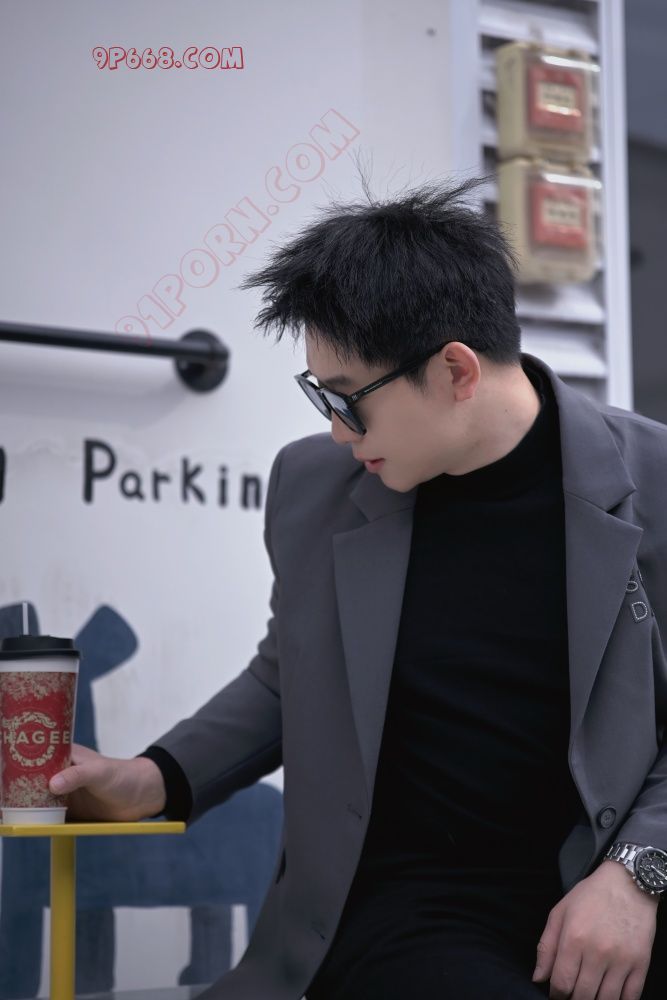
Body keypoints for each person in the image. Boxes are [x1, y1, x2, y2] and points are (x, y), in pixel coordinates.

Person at [50, 179, 667, 1000]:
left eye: (347, 400)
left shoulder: (652, 482)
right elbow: (289, 675)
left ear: (454, 371)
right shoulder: (316, 488)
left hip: (622, 893)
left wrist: (636, 871)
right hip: (414, 911)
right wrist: (155, 777)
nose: (336, 432)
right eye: (319, 398)